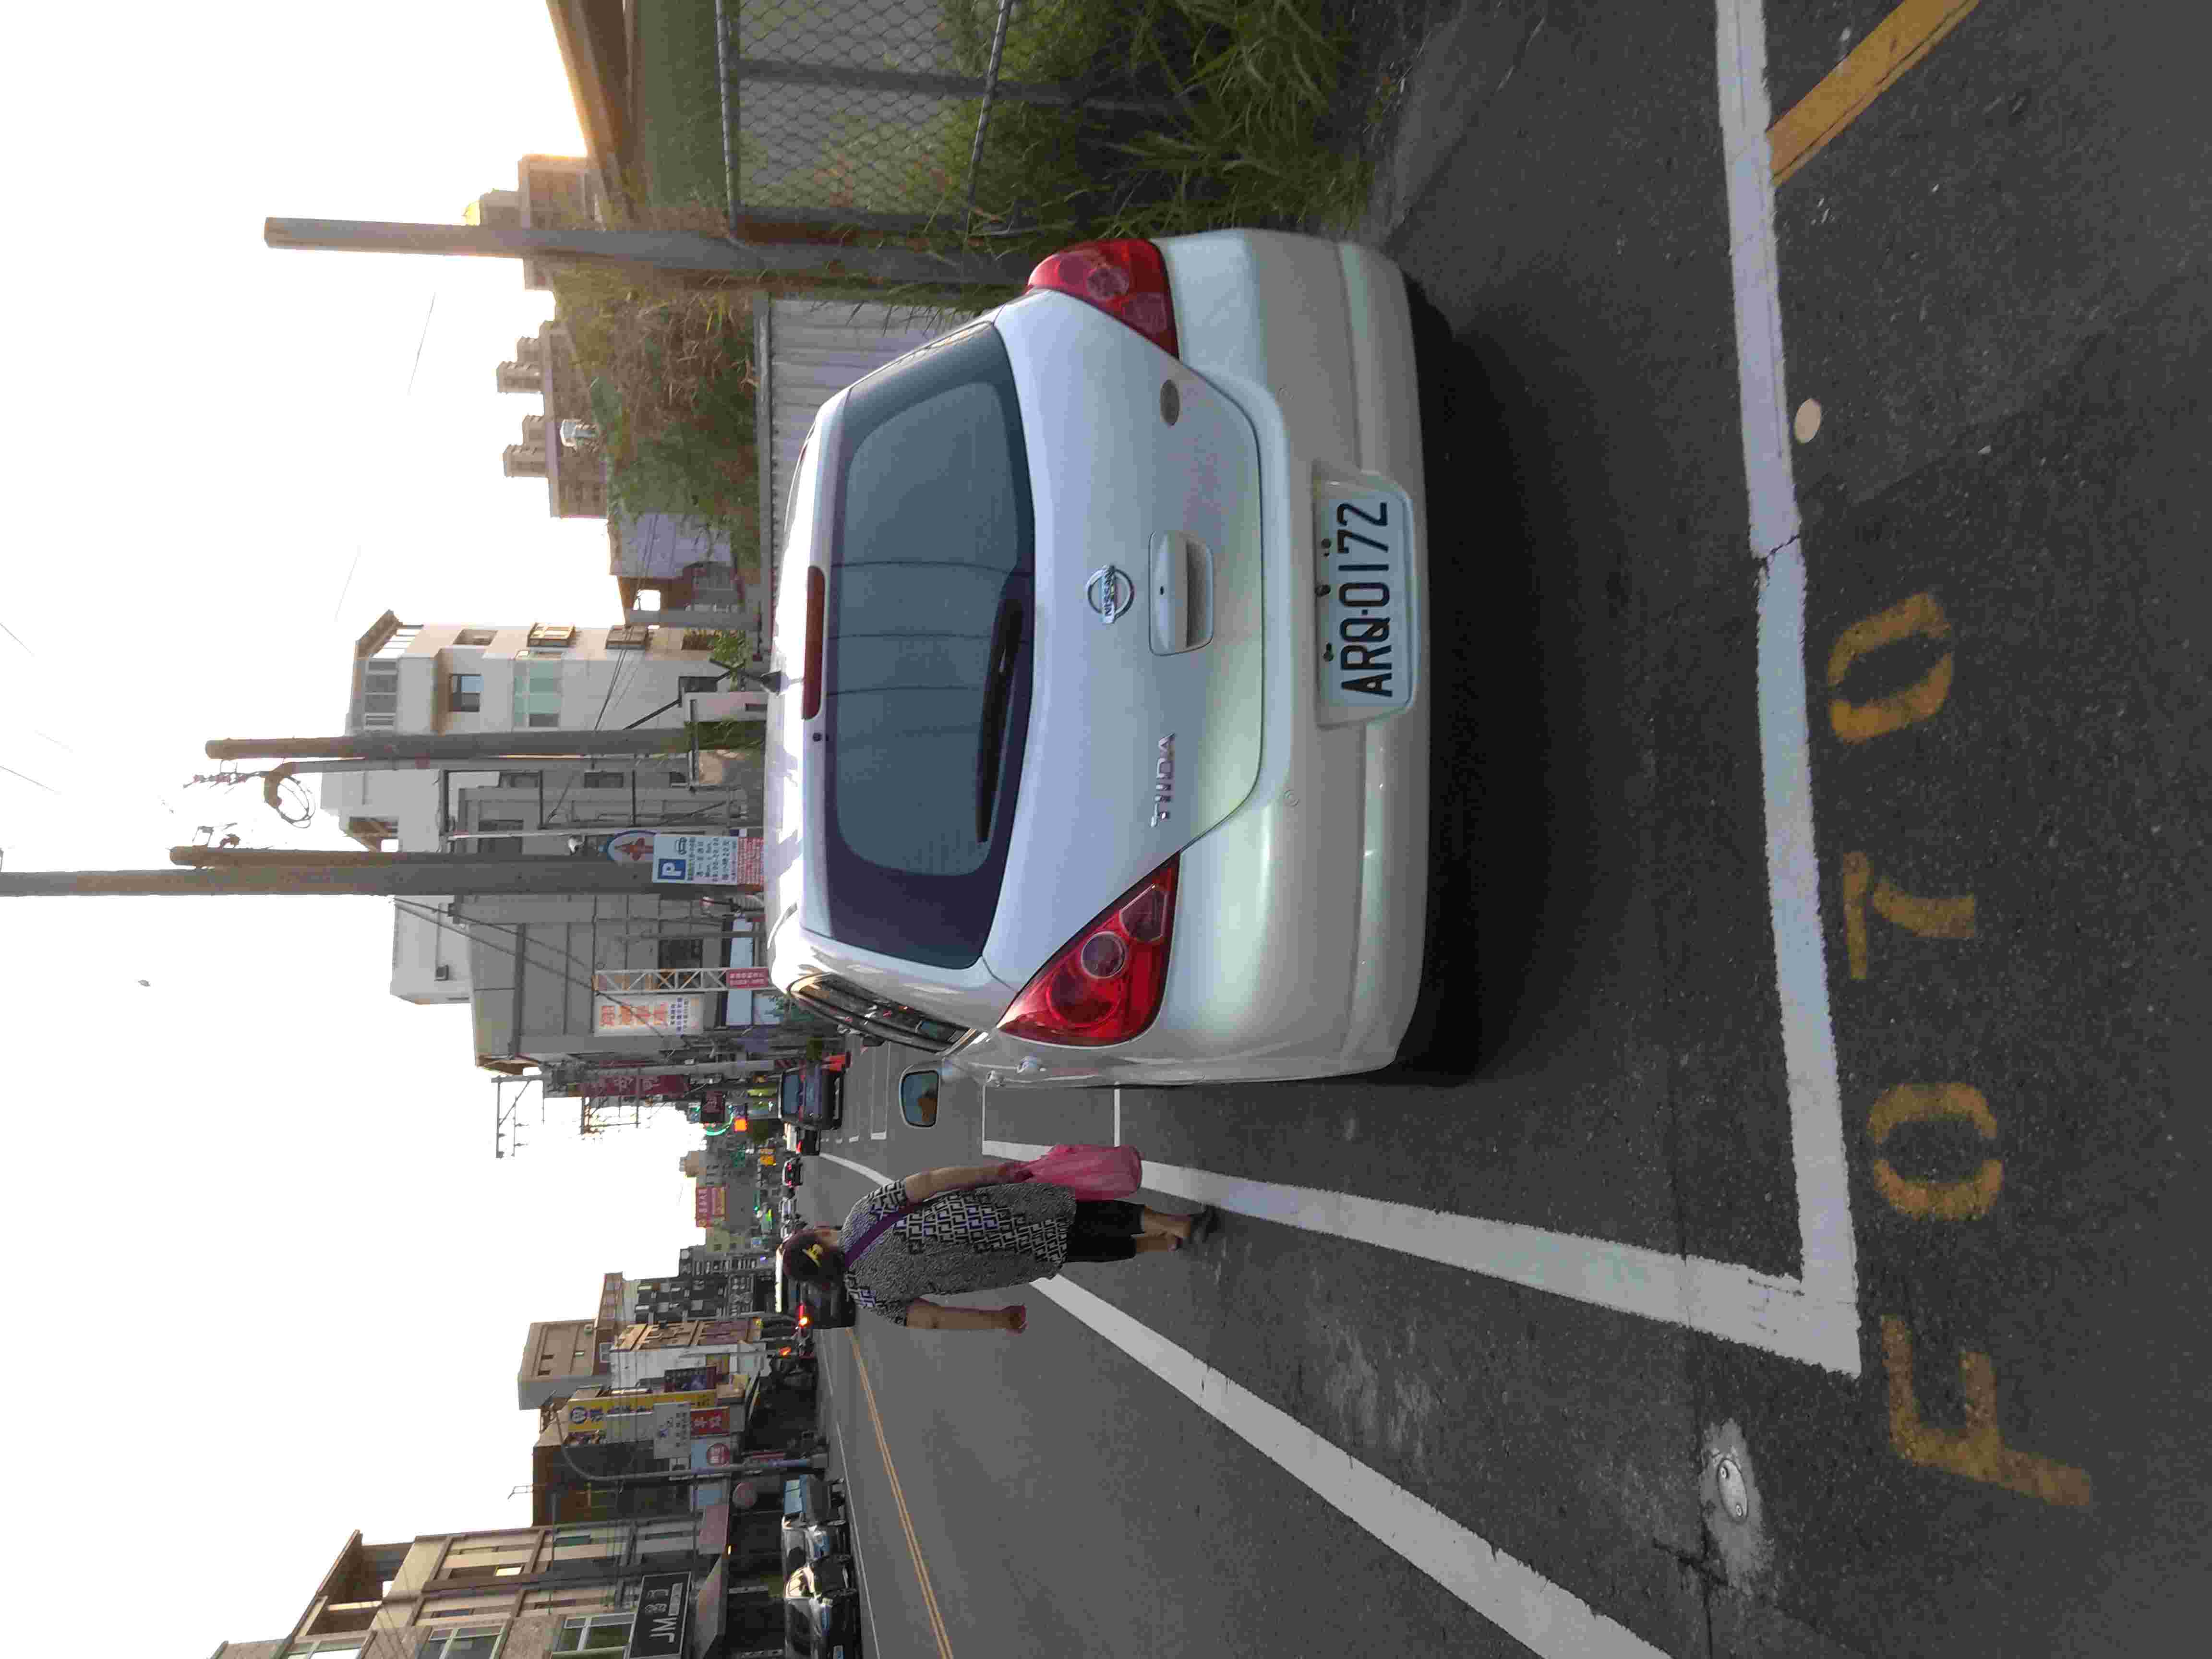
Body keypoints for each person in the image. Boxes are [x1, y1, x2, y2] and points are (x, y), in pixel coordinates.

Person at [780, 1161, 1218, 1332]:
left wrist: (998, 1319)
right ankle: (1173, 1224)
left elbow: (933, 1319)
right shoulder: (863, 1214)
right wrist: (992, 1173)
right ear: (819, 1236)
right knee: (1081, 1215)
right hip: (995, 1213)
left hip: (1004, 1262)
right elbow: (928, 1182)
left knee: (1075, 1248)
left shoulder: (868, 1296)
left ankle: (1161, 1244)